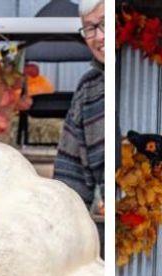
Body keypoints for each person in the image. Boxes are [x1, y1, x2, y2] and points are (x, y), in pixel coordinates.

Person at [53, 0, 103, 209]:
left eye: (105, 24)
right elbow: (70, 173)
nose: (99, 37)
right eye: (90, 28)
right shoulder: (88, 88)